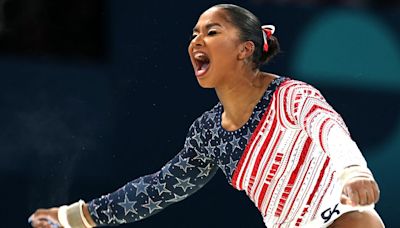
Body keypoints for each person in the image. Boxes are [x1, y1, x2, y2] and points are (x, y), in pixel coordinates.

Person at [29, 4, 384, 228]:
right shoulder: (209, 133)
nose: (196, 40)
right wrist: (72, 217)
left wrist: (354, 170)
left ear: (246, 49)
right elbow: (157, 189)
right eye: (194, 34)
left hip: (341, 213)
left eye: (211, 32)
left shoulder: (290, 96)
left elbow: (330, 131)